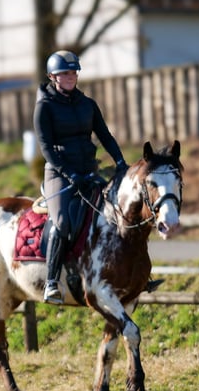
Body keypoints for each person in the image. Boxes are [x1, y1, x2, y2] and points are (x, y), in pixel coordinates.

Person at [33, 50, 128, 304]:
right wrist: (69, 173)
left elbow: (105, 136)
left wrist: (120, 161)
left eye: (74, 72)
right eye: (65, 73)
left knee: (117, 213)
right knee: (63, 222)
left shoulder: (88, 104)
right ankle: (52, 282)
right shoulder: (44, 107)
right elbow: (47, 148)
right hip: (59, 174)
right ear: (53, 76)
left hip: (88, 171)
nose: (71, 76)